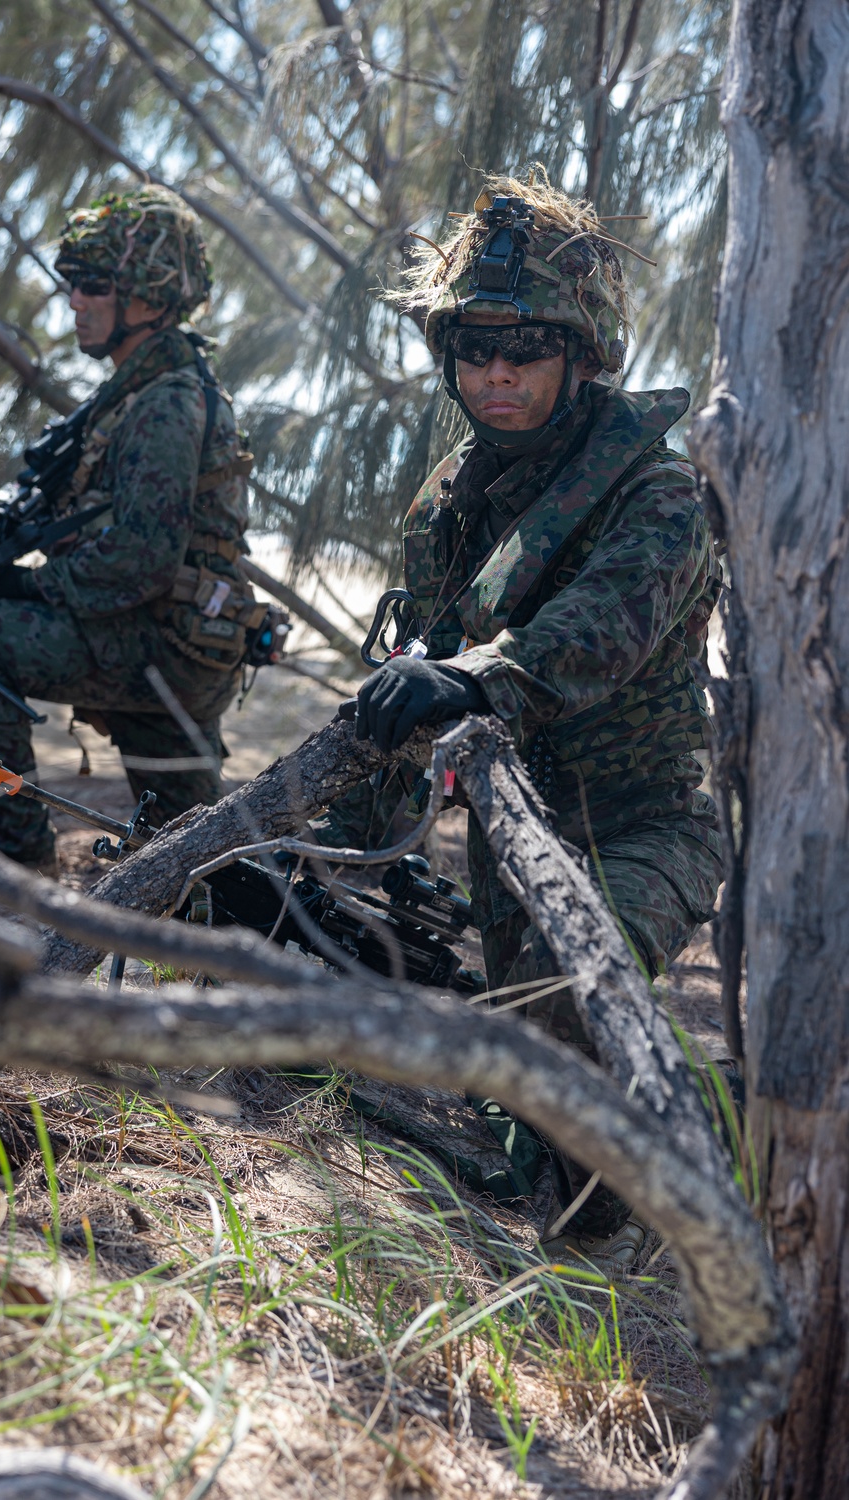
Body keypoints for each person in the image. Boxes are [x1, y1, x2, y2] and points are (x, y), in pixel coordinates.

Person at [342, 175, 723, 1270]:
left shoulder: (655, 494)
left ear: (583, 352)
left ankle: (716, 1143)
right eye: (473, 350)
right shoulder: (451, 496)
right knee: (506, 1066)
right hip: (504, 844)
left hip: (645, 830)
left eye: (526, 350)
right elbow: (413, 669)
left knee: (567, 1058)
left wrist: (474, 677)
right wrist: (343, 835)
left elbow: (597, 635)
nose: (495, 374)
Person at [0, 185, 263, 872]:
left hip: (164, 643)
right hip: (179, 640)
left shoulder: (164, 402)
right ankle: (227, 924)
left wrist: (29, 588)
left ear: (147, 296)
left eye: (93, 285)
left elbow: (142, 558)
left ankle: (17, 875)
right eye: (71, 284)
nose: (75, 300)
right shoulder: (147, 388)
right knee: (197, 867)